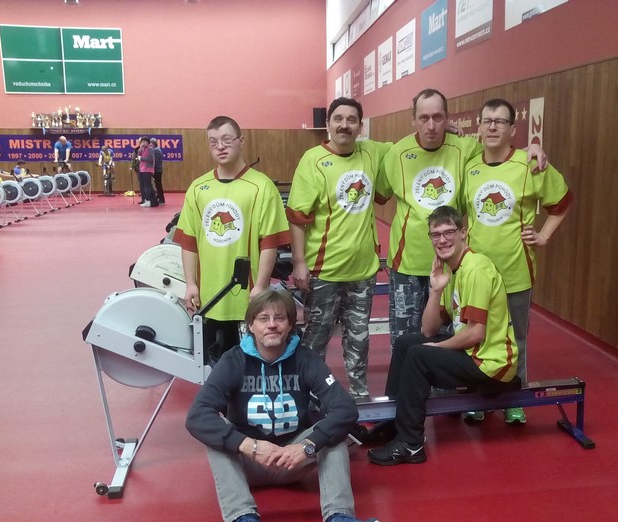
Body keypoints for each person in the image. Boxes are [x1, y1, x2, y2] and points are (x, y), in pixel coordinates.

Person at [185, 289, 382, 522]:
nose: (272, 324)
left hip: (294, 458)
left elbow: (345, 409)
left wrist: (307, 446)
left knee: (332, 433)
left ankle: (338, 521)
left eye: (279, 318)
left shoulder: (305, 359)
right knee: (217, 437)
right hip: (249, 462)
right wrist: (250, 446)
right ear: (250, 326)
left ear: (290, 325)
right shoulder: (233, 361)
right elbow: (197, 416)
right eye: (263, 318)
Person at [377, 88, 547, 346]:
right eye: (424, 118)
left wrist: (532, 147)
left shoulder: (467, 148)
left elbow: (500, 154)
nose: (431, 125)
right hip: (407, 266)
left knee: (451, 340)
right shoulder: (396, 153)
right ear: (413, 119)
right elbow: (379, 195)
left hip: (454, 264)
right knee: (404, 341)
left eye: (438, 117)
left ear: (447, 118)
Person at [367, 206, 519, 466]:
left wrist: (434, 349)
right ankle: (393, 424)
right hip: (473, 354)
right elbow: (428, 330)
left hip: (492, 364)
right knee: (406, 344)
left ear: (463, 233)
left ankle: (411, 444)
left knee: (419, 355)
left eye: (449, 232)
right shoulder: (452, 272)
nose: (442, 240)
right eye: (435, 235)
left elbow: (476, 332)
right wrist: (435, 289)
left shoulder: (475, 269)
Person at [461, 98, 572, 425]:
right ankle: (480, 397)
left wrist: (544, 235)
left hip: (516, 270)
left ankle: (514, 399)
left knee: (515, 339)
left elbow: (561, 203)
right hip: (476, 273)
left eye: (500, 121)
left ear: (512, 129)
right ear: (479, 128)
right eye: (487, 121)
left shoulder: (530, 165)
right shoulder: (470, 166)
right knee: (477, 337)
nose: (492, 126)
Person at [286, 97, 390, 401]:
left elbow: (412, 145)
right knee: (316, 339)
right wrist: (299, 262)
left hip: (363, 271)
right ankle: (309, 396)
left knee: (358, 337)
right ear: (328, 124)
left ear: (360, 126)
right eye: (338, 119)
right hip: (324, 272)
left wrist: (448, 132)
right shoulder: (313, 160)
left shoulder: (373, 152)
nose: (345, 125)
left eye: (351, 119)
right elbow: (297, 217)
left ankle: (359, 393)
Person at [173, 115, 291, 364]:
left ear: (241, 141)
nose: (220, 146)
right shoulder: (198, 188)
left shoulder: (261, 186)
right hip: (208, 298)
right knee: (213, 368)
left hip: (247, 298)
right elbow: (189, 241)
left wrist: (260, 286)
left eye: (226, 140)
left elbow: (269, 242)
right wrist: (191, 283)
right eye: (213, 142)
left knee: (250, 366)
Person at [136, 136, 157, 208]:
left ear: (147, 142)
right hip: (142, 169)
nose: (142, 143)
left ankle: (148, 201)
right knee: (146, 185)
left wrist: (141, 158)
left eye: (144, 142)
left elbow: (151, 159)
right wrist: (140, 148)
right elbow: (138, 155)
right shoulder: (143, 149)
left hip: (148, 169)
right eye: (142, 142)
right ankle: (152, 201)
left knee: (147, 186)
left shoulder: (150, 149)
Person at [150, 138, 165, 205]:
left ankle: (161, 199)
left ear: (152, 144)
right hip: (159, 169)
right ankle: (160, 198)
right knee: (158, 185)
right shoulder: (158, 149)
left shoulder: (155, 150)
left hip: (157, 170)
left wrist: (152, 169)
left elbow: (155, 161)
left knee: (158, 185)